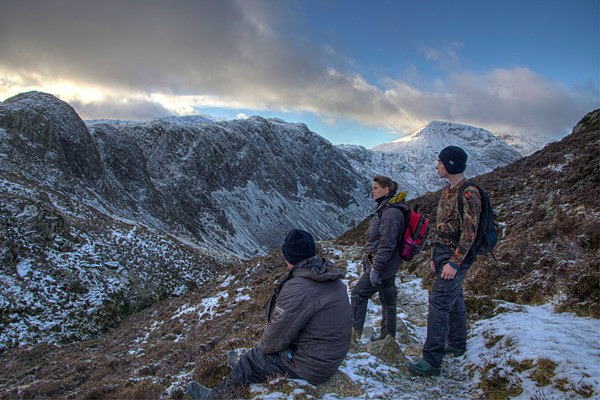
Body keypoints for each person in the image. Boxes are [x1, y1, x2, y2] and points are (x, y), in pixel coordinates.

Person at [188, 228, 353, 399]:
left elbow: (274, 340)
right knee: (262, 350)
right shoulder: (326, 274)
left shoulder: (300, 288)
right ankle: (245, 367)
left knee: (251, 359)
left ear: (288, 257)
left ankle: (215, 395)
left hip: (311, 366)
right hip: (329, 355)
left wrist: (257, 354)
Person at [408, 145, 482, 377]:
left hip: (454, 257)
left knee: (438, 303)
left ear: (450, 165)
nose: (436, 166)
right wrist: (434, 256)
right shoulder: (447, 191)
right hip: (443, 254)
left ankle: (431, 361)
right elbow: (441, 228)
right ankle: (457, 342)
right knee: (455, 297)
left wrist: (454, 262)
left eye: (440, 162)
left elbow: (470, 232)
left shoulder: (469, 193)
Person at [351, 175, 406, 343]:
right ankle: (387, 337)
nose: (372, 191)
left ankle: (352, 337)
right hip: (389, 265)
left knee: (358, 294)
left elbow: (387, 244)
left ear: (386, 189)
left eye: (375, 188)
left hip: (382, 265)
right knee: (388, 296)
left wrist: (376, 268)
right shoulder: (390, 208)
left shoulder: (390, 213)